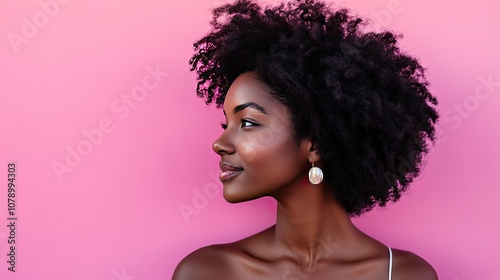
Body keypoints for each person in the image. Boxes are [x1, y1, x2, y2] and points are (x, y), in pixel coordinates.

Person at [174, 0, 439, 279]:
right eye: (226, 124)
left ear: (315, 144)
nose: (219, 144)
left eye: (248, 123)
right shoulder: (207, 272)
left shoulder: (403, 274)